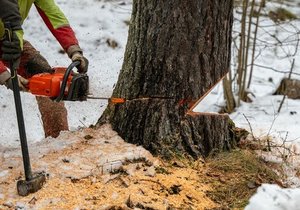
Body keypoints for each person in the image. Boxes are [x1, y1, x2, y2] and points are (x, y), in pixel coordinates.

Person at [0, 0, 88, 138]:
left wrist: (73, 49)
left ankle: (58, 138)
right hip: (8, 40)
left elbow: (55, 17)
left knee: (47, 79)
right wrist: (4, 75)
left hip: (11, 40)